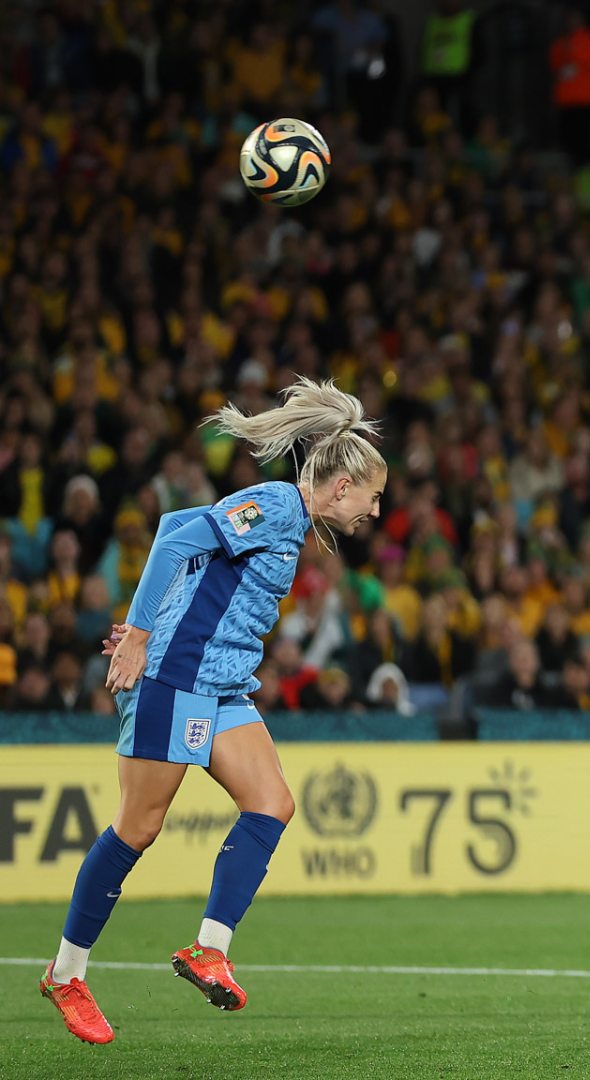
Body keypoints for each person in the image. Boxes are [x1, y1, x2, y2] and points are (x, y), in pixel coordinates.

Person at [39, 378, 385, 1045]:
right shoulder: (281, 505)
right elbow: (174, 536)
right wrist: (142, 634)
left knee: (273, 802)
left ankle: (209, 949)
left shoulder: (294, 525)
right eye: (374, 496)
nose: (376, 510)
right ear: (342, 487)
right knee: (137, 829)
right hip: (176, 678)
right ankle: (67, 972)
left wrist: (160, 619)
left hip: (222, 682)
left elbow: (206, 583)